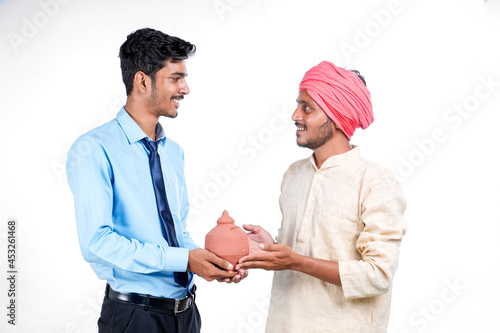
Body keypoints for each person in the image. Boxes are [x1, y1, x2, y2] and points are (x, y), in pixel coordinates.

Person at [66, 28, 245, 333]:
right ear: (142, 80)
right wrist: (185, 260)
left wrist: (209, 262)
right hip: (135, 317)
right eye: (175, 78)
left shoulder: (173, 152)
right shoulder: (93, 149)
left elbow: (177, 233)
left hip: (187, 314)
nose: (185, 89)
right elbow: (97, 243)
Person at [237, 61, 407, 332]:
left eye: (307, 108)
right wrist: (273, 246)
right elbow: (305, 249)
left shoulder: (375, 182)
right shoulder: (294, 174)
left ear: (337, 116)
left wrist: (296, 261)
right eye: (297, 105)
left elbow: (378, 275)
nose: (295, 115)